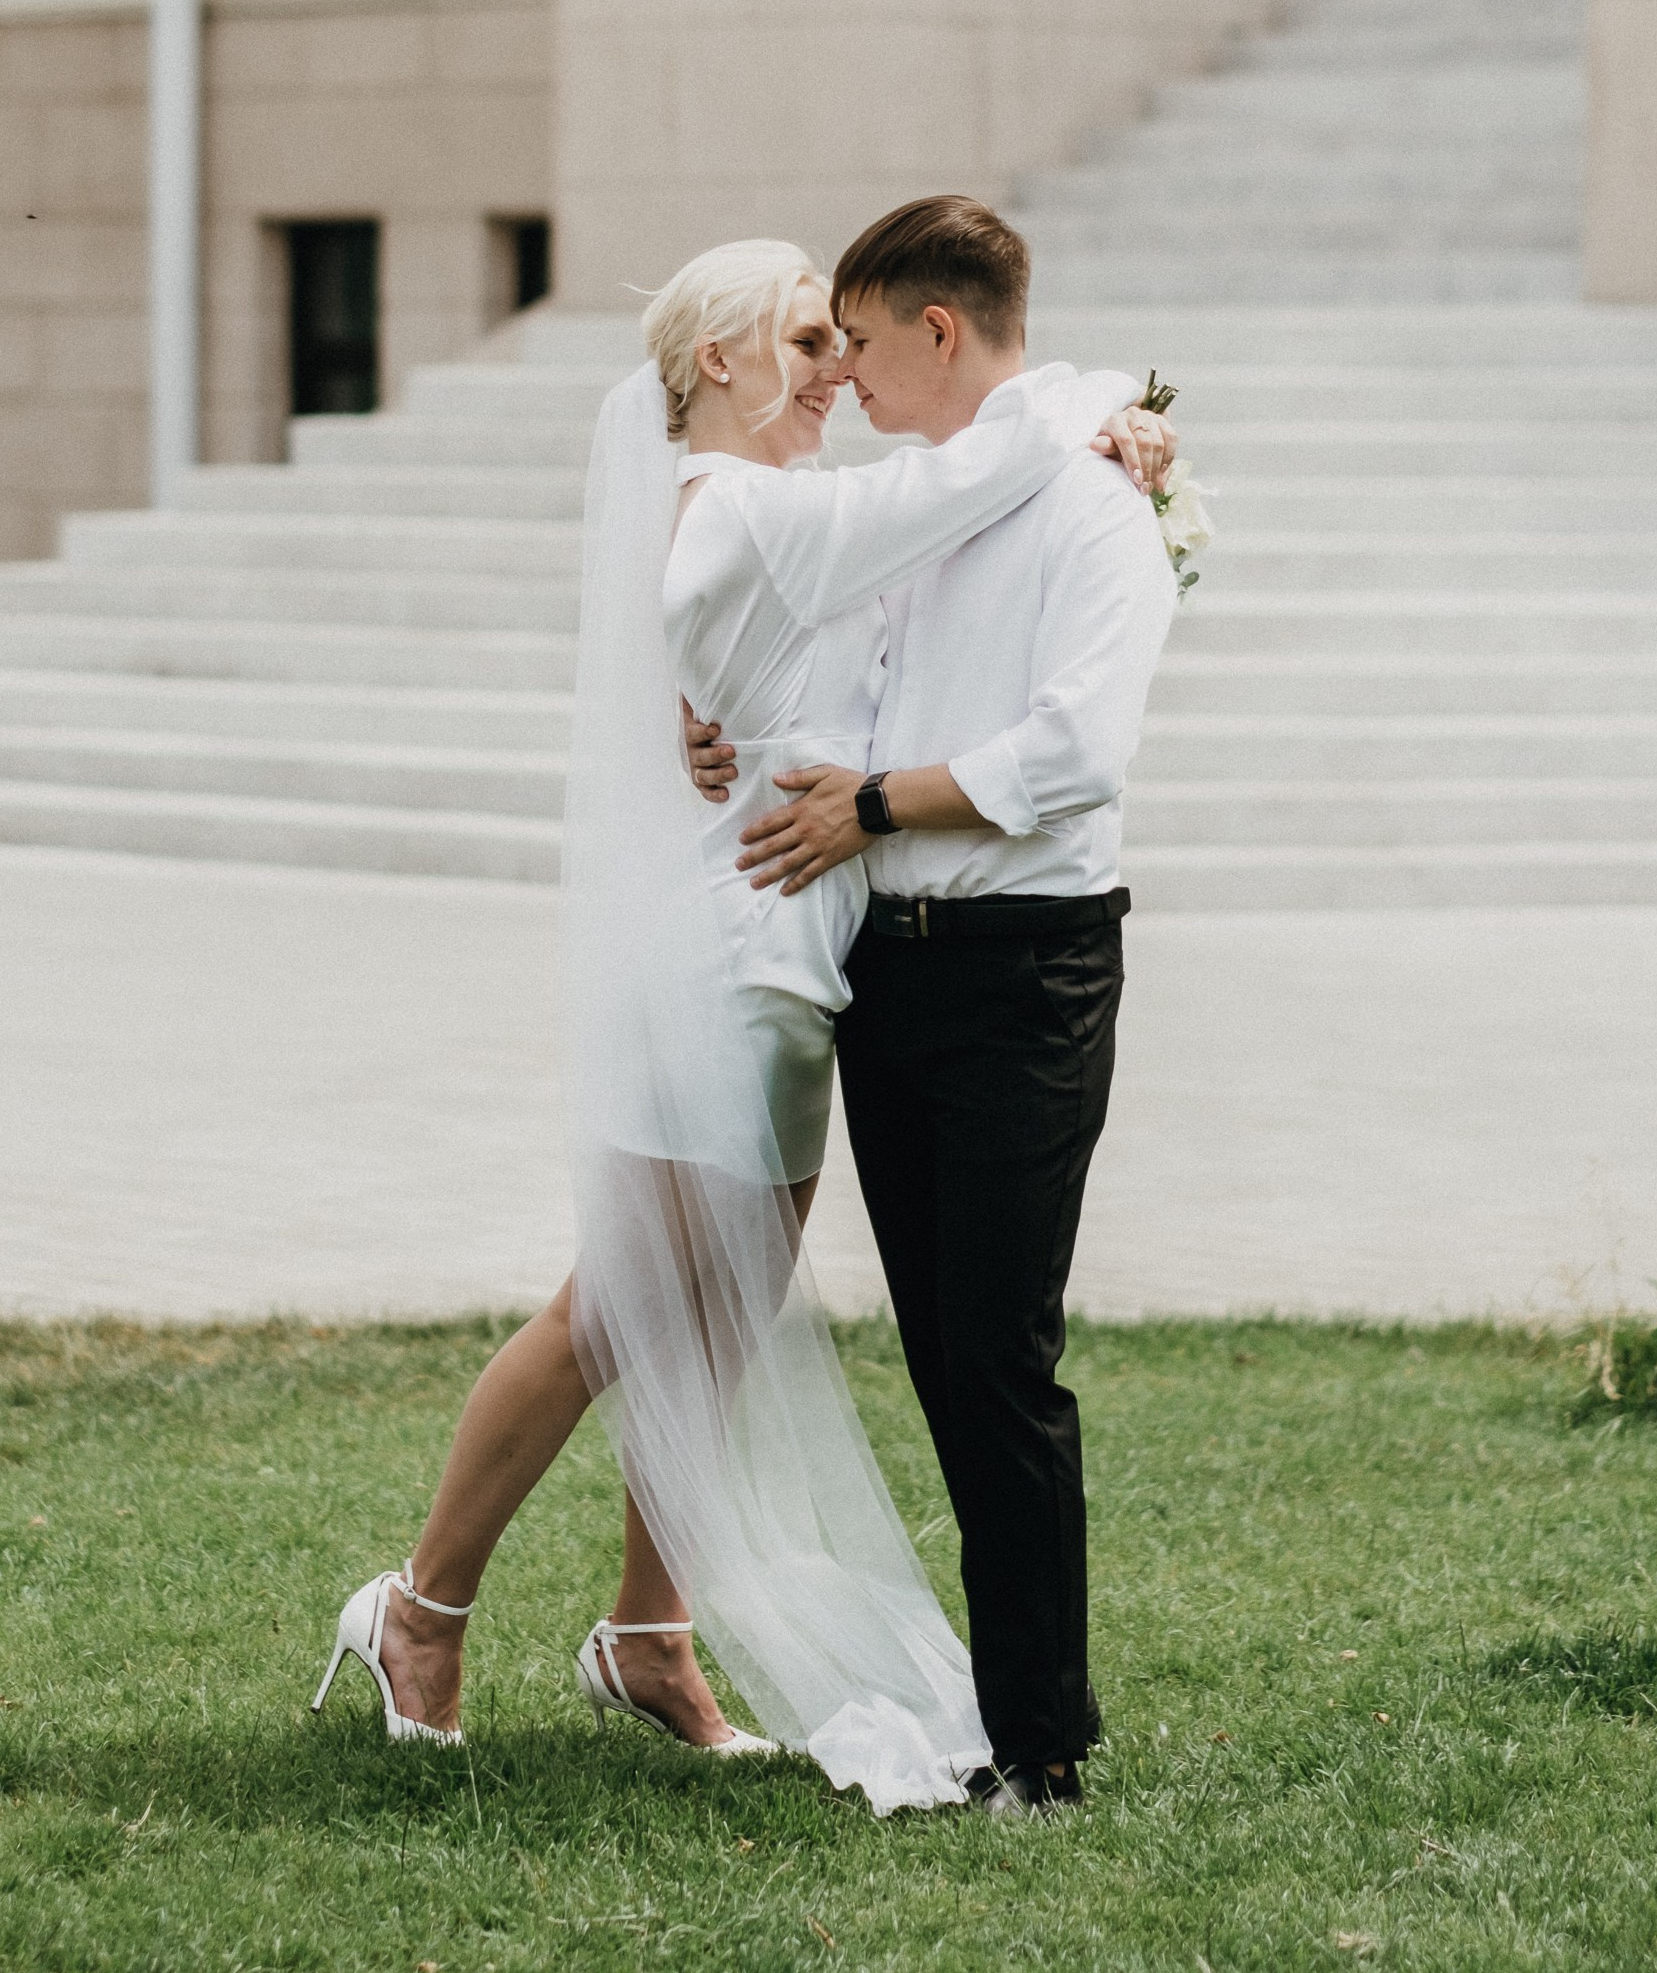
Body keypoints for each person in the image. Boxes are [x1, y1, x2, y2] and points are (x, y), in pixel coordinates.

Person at [312, 236, 1172, 1812]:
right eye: (802, 340)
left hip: (804, 963)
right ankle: (417, 1619)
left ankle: (651, 1631)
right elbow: (946, 488)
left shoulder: (803, 516)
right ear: (715, 361)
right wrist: (1104, 400)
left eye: (848, 343)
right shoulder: (743, 511)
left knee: (709, 1322)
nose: (838, 372)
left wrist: (1113, 424)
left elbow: (927, 552)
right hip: (719, 954)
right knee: (619, 1305)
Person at [718, 195, 1178, 1821]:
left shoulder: (1093, 517)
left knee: (996, 1357)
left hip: (1021, 969)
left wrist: (878, 804)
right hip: (882, 970)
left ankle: (1042, 1750)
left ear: (935, 331)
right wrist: (742, 748)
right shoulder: (899, 516)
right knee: (937, 1350)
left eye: (855, 342)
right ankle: (1000, 1716)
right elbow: (826, 699)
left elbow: (1072, 757)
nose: (839, 377)